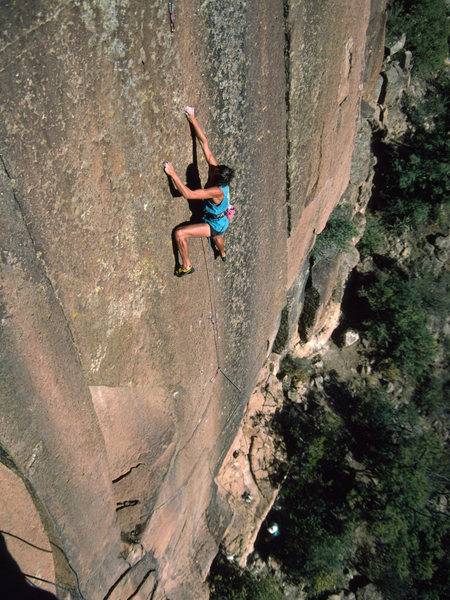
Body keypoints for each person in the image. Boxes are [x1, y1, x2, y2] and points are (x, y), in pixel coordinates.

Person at [163, 106, 235, 277]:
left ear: (218, 179)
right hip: (222, 220)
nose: (211, 169)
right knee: (218, 237)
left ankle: (186, 266)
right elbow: (204, 143)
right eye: (214, 169)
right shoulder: (217, 170)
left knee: (180, 234)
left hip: (214, 223)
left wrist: (172, 173)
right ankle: (223, 253)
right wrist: (192, 118)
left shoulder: (217, 191)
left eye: (214, 172)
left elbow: (188, 194)